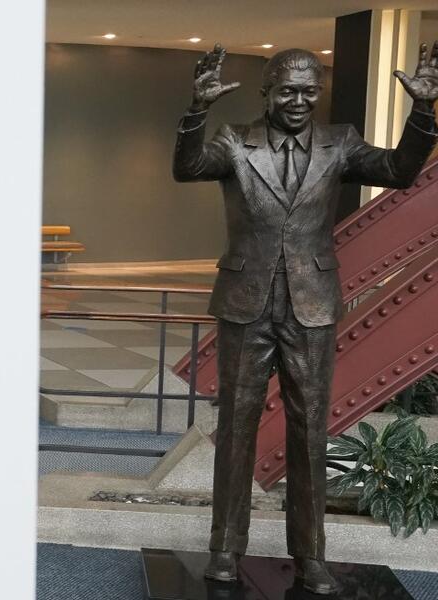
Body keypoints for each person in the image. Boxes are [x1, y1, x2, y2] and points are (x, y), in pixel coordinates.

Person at [173, 42, 438, 594]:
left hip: (311, 305)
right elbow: (188, 167)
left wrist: (424, 111)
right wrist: (197, 112)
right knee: (237, 429)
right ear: (268, 91)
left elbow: (399, 171)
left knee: (310, 432)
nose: (299, 101)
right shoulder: (234, 141)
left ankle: (311, 557)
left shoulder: (339, 143)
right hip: (246, 302)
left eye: (309, 91)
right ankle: (224, 548)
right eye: (288, 90)